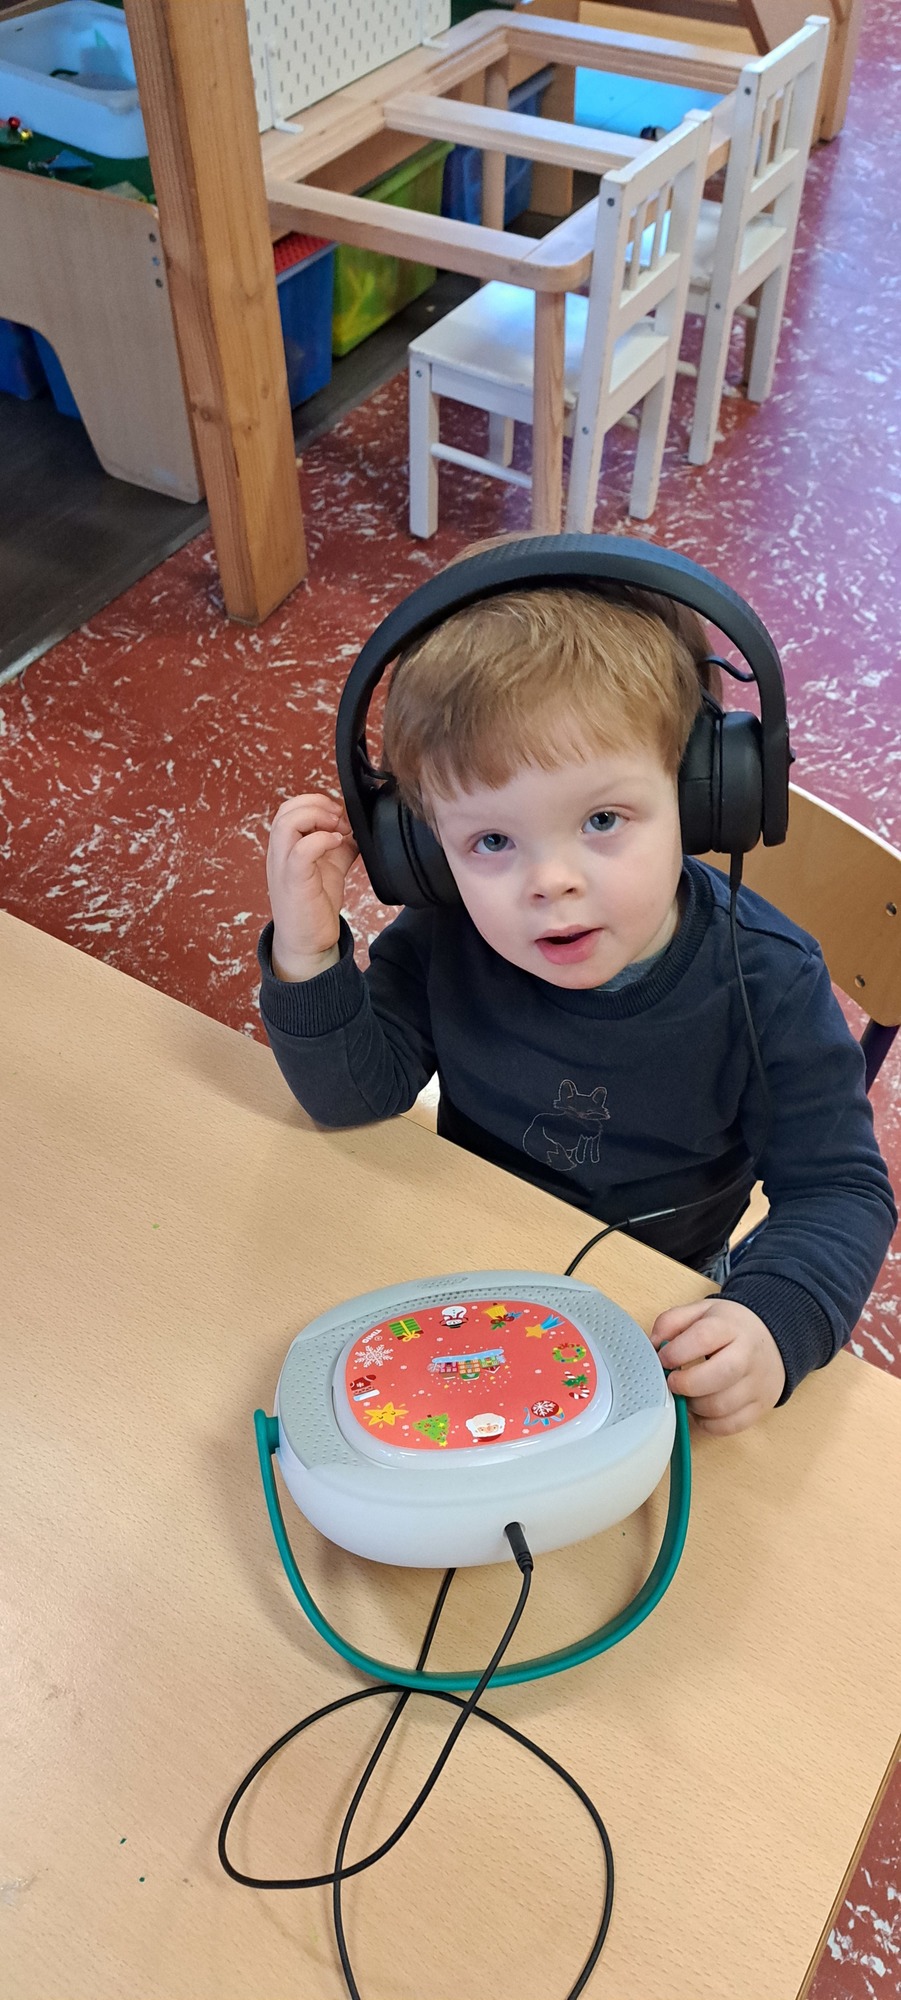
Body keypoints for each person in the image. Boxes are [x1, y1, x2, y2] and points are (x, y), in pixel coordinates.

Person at [257, 565, 896, 1437]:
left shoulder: (769, 984)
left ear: (698, 793)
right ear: (422, 849)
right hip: (467, 1250)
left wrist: (771, 1321)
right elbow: (351, 1096)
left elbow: (840, 1191)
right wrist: (307, 957)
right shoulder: (447, 931)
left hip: (656, 1295)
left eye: (601, 820)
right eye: (491, 839)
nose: (549, 883)